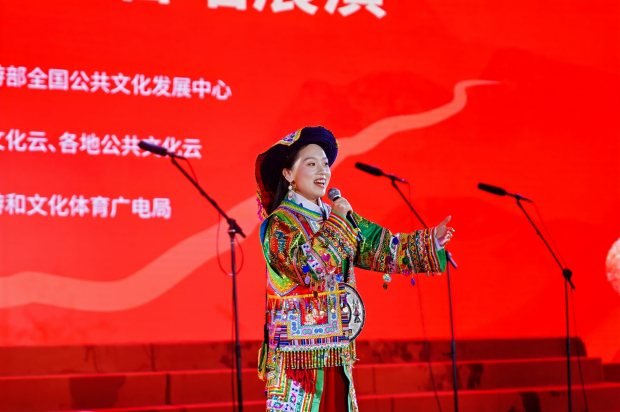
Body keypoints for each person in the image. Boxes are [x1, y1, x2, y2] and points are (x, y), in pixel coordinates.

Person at [255, 126, 454, 412]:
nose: (323, 171)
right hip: (297, 358)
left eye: (325, 164)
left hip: (337, 349)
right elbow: (308, 268)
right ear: (288, 174)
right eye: (311, 164)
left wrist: (431, 241)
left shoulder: (336, 216)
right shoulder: (279, 224)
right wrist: (338, 222)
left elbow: (381, 246)